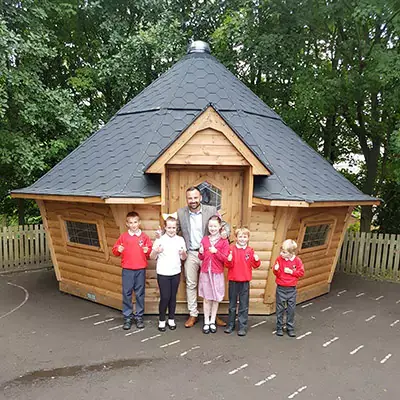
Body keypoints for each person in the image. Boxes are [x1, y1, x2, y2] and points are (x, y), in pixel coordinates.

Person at [176, 186, 230, 328]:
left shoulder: (211, 210)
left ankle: (213, 315)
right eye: (190, 198)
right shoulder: (181, 213)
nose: (193, 201)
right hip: (192, 253)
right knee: (191, 284)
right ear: (186, 199)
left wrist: (226, 233)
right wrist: (161, 235)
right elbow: (175, 230)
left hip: (209, 253)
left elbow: (224, 225)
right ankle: (193, 314)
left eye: (195, 197)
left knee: (212, 283)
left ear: (200, 197)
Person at [112, 211, 152, 330]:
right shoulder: (123, 237)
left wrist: (147, 251)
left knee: (140, 294)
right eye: (131, 222)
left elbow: (150, 251)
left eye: (135, 222)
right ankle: (127, 317)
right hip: (127, 270)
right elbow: (115, 251)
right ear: (127, 224)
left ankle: (139, 317)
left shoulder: (144, 237)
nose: (133, 225)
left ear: (139, 222)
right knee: (127, 293)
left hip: (140, 269)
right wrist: (118, 249)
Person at [150, 216, 187, 332]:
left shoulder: (180, 240)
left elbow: (184, 257)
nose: (171, 230)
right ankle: (162, 320)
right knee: (165, 297)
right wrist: (156, 251)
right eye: (169, 227)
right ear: (165, 227)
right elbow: (152, 256)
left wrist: (183, 253)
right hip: (163, 273)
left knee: (172, 297)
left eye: (174, 227)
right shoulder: (160, 240)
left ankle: (171, 319)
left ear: (176, 228)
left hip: (175, 272)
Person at [224, 227, 261, 336]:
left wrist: (256, 259)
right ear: (236, 237)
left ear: (248, 238)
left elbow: (256, 265)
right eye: (240, 236)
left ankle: (242, 327)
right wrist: (228, 259)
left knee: (244, 305)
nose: (242, 239)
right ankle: (230, 325)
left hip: (245, 281)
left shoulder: (250, 250)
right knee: (232, 305)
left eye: (245, 237)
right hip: (233, 280)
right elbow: (227, 265)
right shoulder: (231, 248)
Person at [198, 215, 230, 334]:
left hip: (217, 273)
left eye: (215, 226)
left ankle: (212, 321)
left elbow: (225, 259)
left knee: (215, 298)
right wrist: (201, 252)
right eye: (210, 226)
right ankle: (206, 321)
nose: (212, 228)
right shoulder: (205, 239)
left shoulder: (224, 241)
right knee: (207, 298)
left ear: (220, 227)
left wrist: (216, 252)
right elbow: (201, 256)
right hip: (206, 272)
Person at [273, 239, 304, 337]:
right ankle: (279, 327)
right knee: (280, 308)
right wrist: (276, 270)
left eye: (284, 252)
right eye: (281, 251)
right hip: (281, 288)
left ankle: (290, 327)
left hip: (291, 288)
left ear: (291, 253)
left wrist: (291, 272)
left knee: (291, 309)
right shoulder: (279, 259)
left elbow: (301, 273)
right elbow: (276, 273)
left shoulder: (297, 261)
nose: (281, 254)